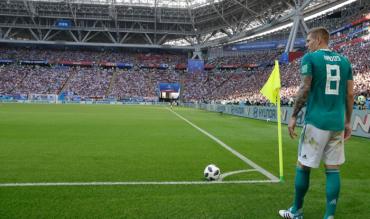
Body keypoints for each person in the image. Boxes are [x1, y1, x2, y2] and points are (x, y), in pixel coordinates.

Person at [279, 27, 354, 219]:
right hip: (337, 123)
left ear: (320, 39)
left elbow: (305, 87)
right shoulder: (345, 61)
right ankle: (329, 216)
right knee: (333, 169)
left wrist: (294, 115)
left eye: (309, 41)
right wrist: (348, 121)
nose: (306, 45)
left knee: (303, 165)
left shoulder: (310, 59)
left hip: (316, 122)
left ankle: (296, 211)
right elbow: (350, 94)